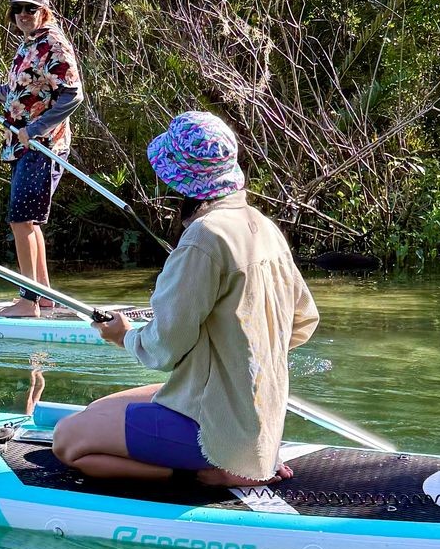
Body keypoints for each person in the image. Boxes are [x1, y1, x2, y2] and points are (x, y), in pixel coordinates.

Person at [52, 111, 319, 488]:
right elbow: (303, 321)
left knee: (67, 440)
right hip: (259, 421)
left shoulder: (203, 238)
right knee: (96, 410)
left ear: (182, 180)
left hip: (222, 432)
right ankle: (241, 455)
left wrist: (124, 335)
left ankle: (207, 473)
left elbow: (165, 347)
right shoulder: (265, 227)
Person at [0, 0, 83, 316]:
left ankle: (28, 302)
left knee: (21, 221)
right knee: (28, 222)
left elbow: (72, 95)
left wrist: (37, 129)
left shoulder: (53, 44)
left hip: (44, 147)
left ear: (44, 10)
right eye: (17, 9)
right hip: (23, 146)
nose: (23, 14)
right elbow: (18, 90)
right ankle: (42, 295)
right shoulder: (29, 44)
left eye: (30, 8)